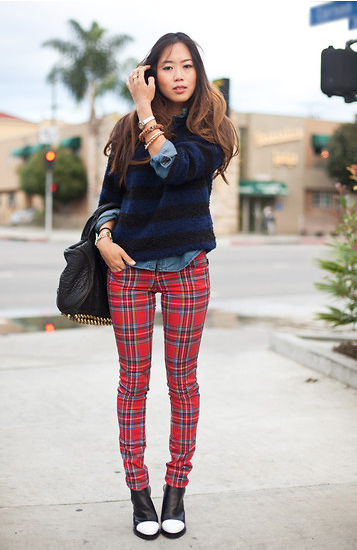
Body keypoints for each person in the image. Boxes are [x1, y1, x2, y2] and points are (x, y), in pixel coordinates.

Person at [95, 31, 239, 540]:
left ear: (197, 74)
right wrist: (104, 236)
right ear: (151, 72)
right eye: (168, 66)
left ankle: (176, 490)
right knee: (134, 384)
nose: (178, 75)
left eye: (187, 66)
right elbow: (110, 194)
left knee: (182, 382)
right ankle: (139, 493)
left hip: (187, 271)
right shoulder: (126, 128)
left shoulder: (210, 128)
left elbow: (174, 168)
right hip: (129, 270)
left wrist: (146, 112)